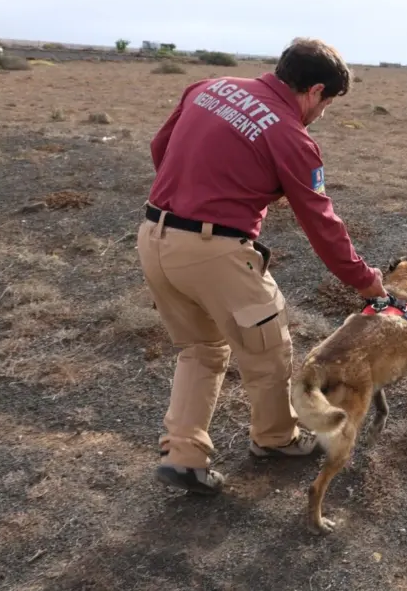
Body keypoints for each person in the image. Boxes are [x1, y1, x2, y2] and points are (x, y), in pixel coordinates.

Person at [136, 37, 388, 495]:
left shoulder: (208, 87)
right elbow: (321, 222)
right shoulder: (291, 136)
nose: (323, 112)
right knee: (268, 348)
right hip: (215, 251)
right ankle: (276, 439)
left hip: (153, 235)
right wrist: (366, 282)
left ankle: (183, 455)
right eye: (327, 102)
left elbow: (161, 148)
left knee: (201, 349)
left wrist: (193, 189)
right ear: (314, 91)